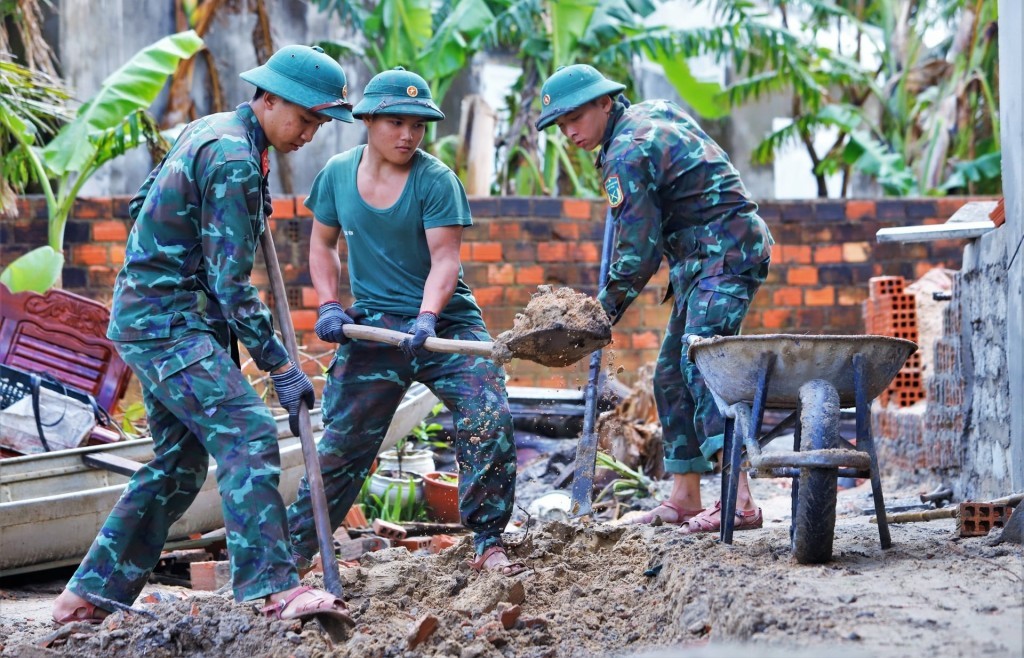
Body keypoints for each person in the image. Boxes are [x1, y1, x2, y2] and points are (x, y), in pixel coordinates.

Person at [52, 45, 356, 628]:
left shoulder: (215, 131)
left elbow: (143, 204)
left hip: (154, 313)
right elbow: (231, 284)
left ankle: (86, 596)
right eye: (306, 118)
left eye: (320, 122)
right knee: (247, 431)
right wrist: (279, 365)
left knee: (178, 463)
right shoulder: (234, 157)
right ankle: (274, 587)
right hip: (168, 323)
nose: (312, 133)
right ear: (268, 98)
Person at [287, 67, 525, 575]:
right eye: (395, 121)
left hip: (447, 325)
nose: (408, 134)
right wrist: (329, 304)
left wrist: (426, 318)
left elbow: (446, 261)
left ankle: (488, 540)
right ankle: (293, 554)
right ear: (367, 119)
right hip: (374, 326)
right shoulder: (335, 174)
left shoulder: (436, 180)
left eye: (418, 125)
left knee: (488, 417)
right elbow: (322, 244)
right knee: (342, 446)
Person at [535, 64, 774, 534]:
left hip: (724, 252)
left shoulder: (627, 151)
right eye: (560, 126)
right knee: (668, 374)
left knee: (702, 365)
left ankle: (740, 502)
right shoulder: (647, 116)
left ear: (606, 102)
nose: (570, 132)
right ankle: (685, 497)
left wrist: (596, 317)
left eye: (575, 118)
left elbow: (638, 256)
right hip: (700, 258)